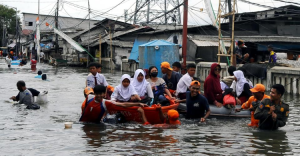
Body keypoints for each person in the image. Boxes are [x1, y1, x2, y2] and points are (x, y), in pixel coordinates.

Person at [80, 85, 149, 124]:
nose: (99, 96)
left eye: (101, 94)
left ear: (104, 94)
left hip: (95, 124)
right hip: (82, 122)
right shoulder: (89, 97)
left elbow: (122, 105)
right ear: (94, 93)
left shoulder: (105, 103)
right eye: (97, 94)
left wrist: (138, 104)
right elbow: (84, 108)